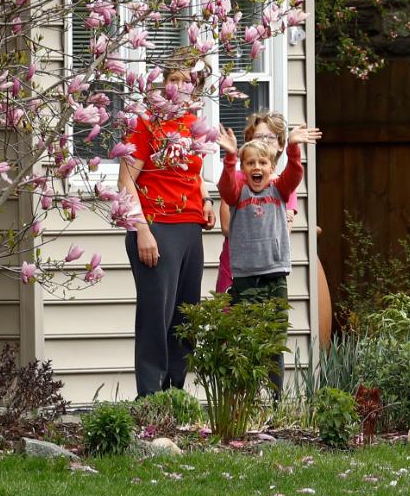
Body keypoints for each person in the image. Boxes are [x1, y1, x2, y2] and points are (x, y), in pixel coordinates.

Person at [118, 52, 217, 397]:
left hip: (190, 229)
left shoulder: (194, 124)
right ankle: (150, 399)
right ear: (162, 86)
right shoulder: (146, 123)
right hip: (156, 229)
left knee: (185, 317)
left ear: (196, 87)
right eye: (173, 79)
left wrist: (206, 201)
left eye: (186, 80)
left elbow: (194, 174)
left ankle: (174, 396)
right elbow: (125, 181)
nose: (179, 86)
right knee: (155, 319)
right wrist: (141, 230)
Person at [216, 122, 322, 396]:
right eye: (250, 163)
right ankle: (246, 400)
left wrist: (294, 148)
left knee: (275, 341)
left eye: (262, 162)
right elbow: (225, 187)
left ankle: (276, 401)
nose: (256, 167)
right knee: (247, 340)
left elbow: (295, 174)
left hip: (275, 274)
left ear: (271, 168)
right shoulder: (239, 193)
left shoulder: (279, 190)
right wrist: (230, 157)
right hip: (245, 277)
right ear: (244, 168)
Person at [215, 111, 299, 295]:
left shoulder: (282, 185)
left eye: (271, 137)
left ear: (279, 145)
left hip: (270, 267)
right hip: (237, 266)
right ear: (249, 141)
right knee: (234, 318)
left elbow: (286, 227)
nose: (265, 141)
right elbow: (227, 226)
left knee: (272, 321)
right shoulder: (235, 180)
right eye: (260, 136)